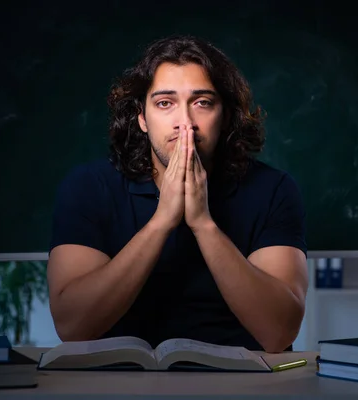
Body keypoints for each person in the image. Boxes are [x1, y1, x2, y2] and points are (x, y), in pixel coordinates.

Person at [46, 34, 308, 353]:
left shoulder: (273, 189)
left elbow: (279, 333)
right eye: (165, 103)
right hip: (120, 381)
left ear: (224, 116)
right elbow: (72, 327)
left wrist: (203, 224)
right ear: (142, 117)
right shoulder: (88, 186)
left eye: (202, 103)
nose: (185, 123)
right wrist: (161, 222)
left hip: (241, 383)